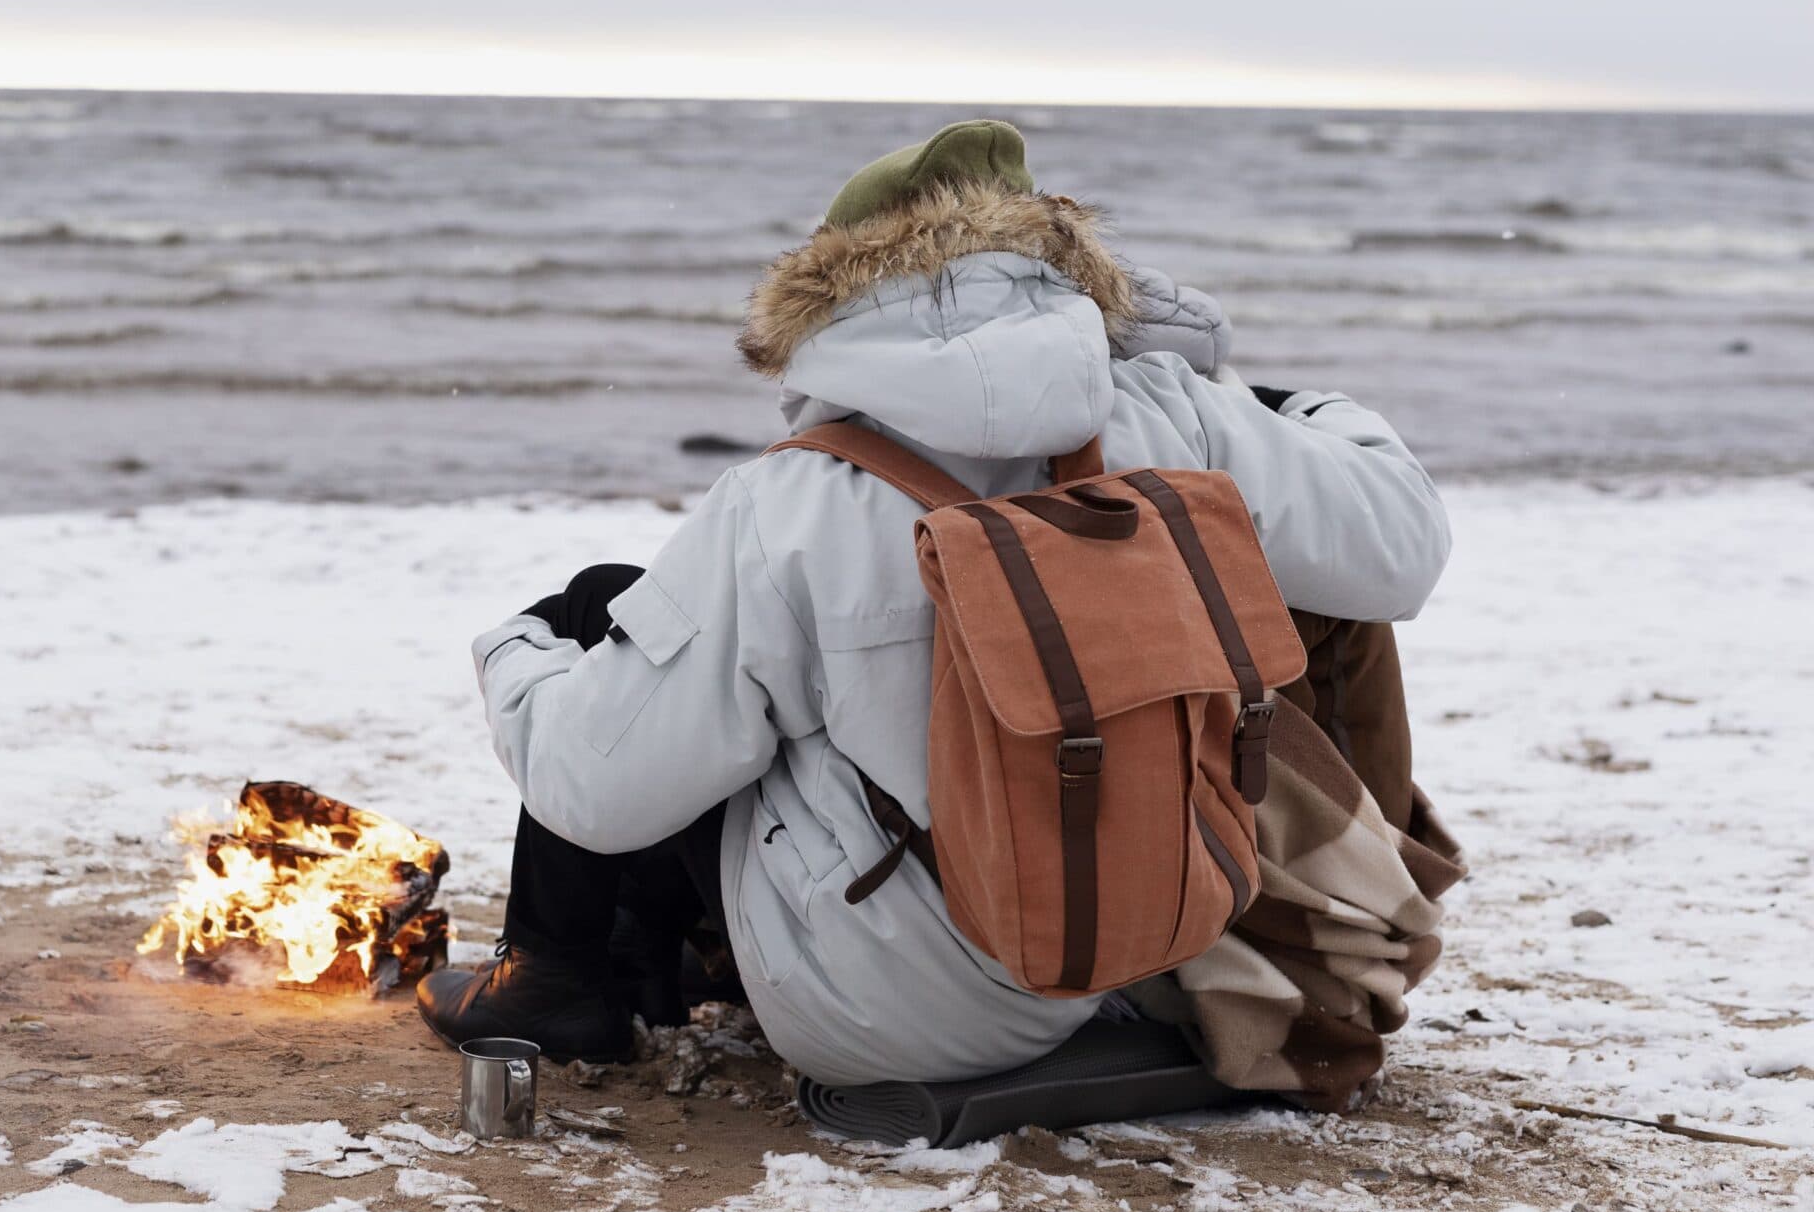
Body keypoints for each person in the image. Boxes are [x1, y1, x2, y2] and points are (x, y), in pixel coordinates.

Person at [417, 121, 1451, 1086]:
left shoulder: (792, 500)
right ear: (1065, 264)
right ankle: (639, 962)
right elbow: (1396, 554)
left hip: (875, 1014)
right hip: (1145, 941)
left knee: (610, 612)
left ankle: (558, 985)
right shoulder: (1179, 419)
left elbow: (596, 794)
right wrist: (1289, 406)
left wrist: (520, 650)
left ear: (834, 294)